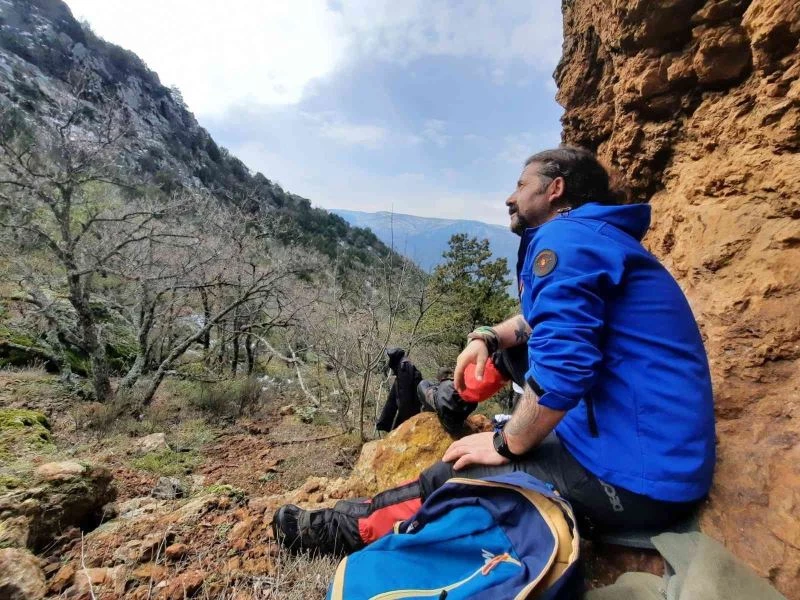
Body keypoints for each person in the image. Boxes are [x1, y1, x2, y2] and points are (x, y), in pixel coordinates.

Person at [272, 146, 716, 555]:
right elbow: (538, 323)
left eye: (521, 185)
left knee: (455, 472)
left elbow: (565, 370)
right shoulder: (595, 237)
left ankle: (345, 530)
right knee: (512, 351)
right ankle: (453, 401)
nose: (509, 197)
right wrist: (487, 336)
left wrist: (507, 443)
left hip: (637, 482)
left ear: (555, 188)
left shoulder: (565, 240)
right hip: (646, 448)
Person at [375, 347, 423, 432]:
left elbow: (405, 395)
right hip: (409, 408)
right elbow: (392, 398)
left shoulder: (404, 367)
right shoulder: (402, 366)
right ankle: (384, 424)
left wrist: (406, 419)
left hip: (410, 410)